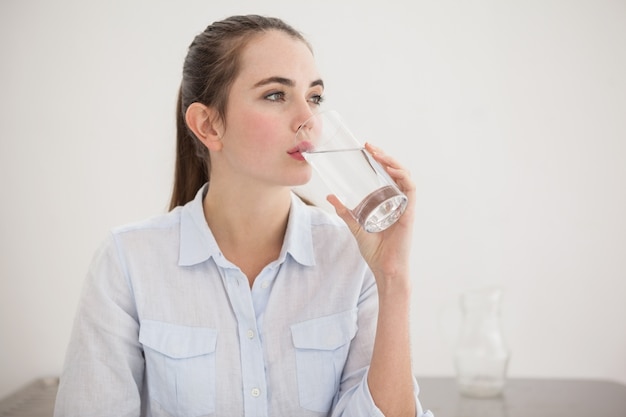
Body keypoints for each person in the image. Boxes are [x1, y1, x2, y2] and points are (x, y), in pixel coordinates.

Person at [53, 14, 433, 417]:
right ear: (208, 125)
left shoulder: (351, 256)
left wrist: (393, 277)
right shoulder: (128, 261)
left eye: (315, 97)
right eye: (276, 95)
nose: (309, 119)